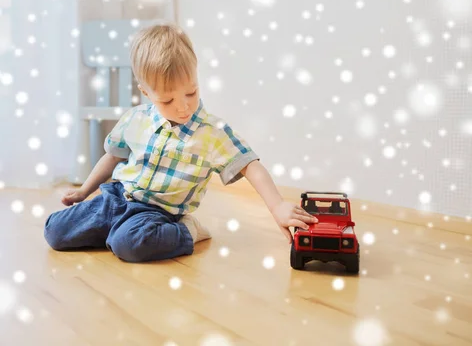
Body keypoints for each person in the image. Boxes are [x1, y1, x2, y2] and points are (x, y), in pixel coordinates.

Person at [44, 23, 318, 262]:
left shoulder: (212, 132)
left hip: (157, 213)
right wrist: (84, 192)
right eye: (167, 100)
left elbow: (251, 166)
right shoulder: (135, 118)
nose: (183, 107)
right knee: (54, 231)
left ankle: (187, 231)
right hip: (115, 197)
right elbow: (112, 158)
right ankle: (113, 228)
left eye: (191, 92)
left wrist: (278, 206)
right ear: (146, 93)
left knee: (128, 245)